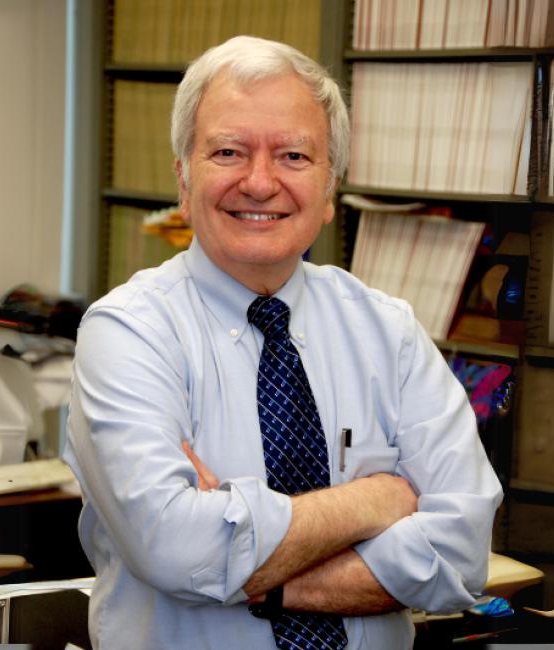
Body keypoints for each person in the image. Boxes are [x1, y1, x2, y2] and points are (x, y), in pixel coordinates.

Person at [64, 35, 503, 649]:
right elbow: (170, 548)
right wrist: (374, 502)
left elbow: (461, 556)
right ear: (184, 180)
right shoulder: (128, 332)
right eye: (228, 151)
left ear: (329, 190)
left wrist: (251, 571)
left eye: (294, 156)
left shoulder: (389, 332)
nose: (261, 182)